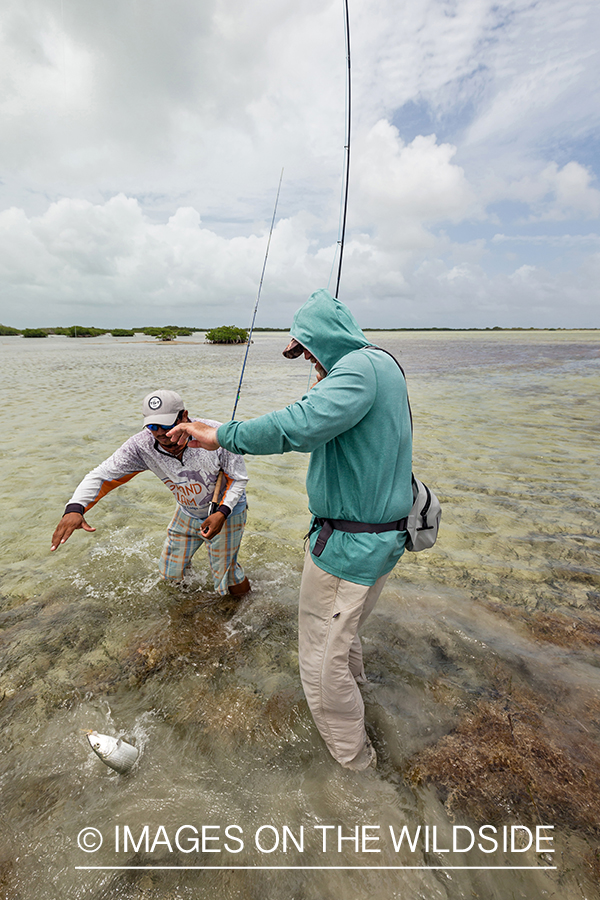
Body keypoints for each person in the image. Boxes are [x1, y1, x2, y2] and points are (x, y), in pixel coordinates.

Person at [168, 289, 413, 770]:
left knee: (320, 671)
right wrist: (323, 386)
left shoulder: (357, 371)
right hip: (382, 535)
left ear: (325, 340)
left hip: (348, 546)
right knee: (346, 639)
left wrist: (218, 433)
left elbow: (295, 428)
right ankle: (365, 701)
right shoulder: (384, 365)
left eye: (307, 352)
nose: (308, 363)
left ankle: (356, 769)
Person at [51, 389, 251, 596]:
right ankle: (188, 608)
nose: (160, 433)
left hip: (228, 512)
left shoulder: (215, 434)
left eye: (166, 425)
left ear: (184, 416)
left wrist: (222, 513)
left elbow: (239, 478)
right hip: (187, 511)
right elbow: (101, 474)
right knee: (170, 572)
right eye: (153, 426)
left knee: (225, 576)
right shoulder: (141, 446)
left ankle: (243, 609)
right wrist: (74, 508)